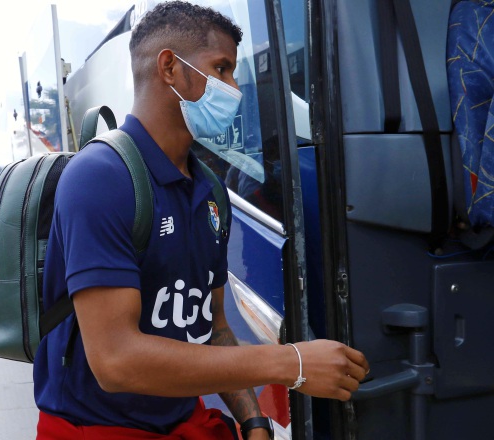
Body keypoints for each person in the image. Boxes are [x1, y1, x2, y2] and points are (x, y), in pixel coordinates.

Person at [33, 3, 369, 439]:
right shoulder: (101, 177)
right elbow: (116, 361)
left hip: (181, 420)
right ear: (170, 67)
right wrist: (292, 363)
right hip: (95, 428)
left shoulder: (208, 189)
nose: (234, 88)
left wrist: (252, 419)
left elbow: (212, 329)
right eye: (222, 69)